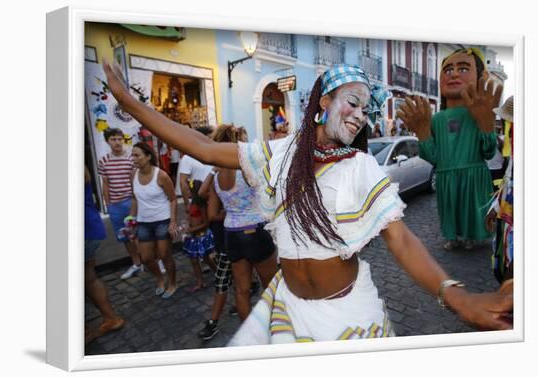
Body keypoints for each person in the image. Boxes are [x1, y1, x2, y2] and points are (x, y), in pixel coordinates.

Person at [103, 60, 513, 345]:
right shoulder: (278, 155)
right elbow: (201, 148)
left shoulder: (362, 167)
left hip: (347, 312)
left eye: (366, 109)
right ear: (322, 102)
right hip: (290, 307)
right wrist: (130, 104)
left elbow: (401, 240)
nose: (359, 116)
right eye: (352, 102)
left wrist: (458, 297)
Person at [398, 48, 502, 251]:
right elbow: (432, 158)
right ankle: (453, 236)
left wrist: (486, 125)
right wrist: (423, 133)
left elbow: (488, 152)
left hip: (474, 174)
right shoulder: (436, 119)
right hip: (446, 176)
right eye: (447, 70)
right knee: (449, 210)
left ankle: (472, 236)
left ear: (480, 77)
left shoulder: (476, 114)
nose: (453, 74)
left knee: (472, 208)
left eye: (463, 68)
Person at [198, 125, 273, 340]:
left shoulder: (216, 173)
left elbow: (212, 213)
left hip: (231, 233)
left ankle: (251, 336)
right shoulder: (247, 168)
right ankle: (276, 332)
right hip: (255, 231)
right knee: (271, 287)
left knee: (241, 291)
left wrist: (234, 212)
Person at [130, 142, 179, 298]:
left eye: (137, 155)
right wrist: (131, 219)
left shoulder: (161, 175)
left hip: (162, 221)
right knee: (146, 258)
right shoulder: (133, 175)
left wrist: (173, 222)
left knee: (165, 255)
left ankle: (172, 283)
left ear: (148, 156)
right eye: (133, 155)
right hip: (143, 222)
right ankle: (159, 278)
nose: (134, 158)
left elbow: (173, 200)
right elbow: (134, 198)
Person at [85, 166, 124, 343]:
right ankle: (110, 319)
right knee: (88, 278)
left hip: (82, 230)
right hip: (88, 228)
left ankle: (84, 330)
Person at [98, 128, 143, 279]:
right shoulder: (103, 161)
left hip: (131, 201)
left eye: (119, 139)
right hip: (115, 205)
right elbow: (105, 184)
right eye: (113, 139)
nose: (117, 142)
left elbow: (135, 181)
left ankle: (151, 260)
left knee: (139, 233)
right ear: (107, 141)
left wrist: (136, 201)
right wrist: (108, 204)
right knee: (125, 236)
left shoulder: (131, 159)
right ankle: (136, 263)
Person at [485, 95, 514, 284]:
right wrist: (494, 210)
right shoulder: (514, 154)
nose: (503, 128)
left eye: (506, 124)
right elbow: (508, 183)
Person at [182, 179, 217, 292]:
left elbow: (206, 223)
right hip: (193, 236)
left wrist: (191, 228)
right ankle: (200, 281)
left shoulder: (201, 205)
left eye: (188, 189)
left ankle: (218, 273)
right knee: (194, 260)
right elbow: (191, 216)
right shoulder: (192, 203)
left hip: (201, 236)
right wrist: (187, 223)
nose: (186, 191)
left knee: (207, 258)